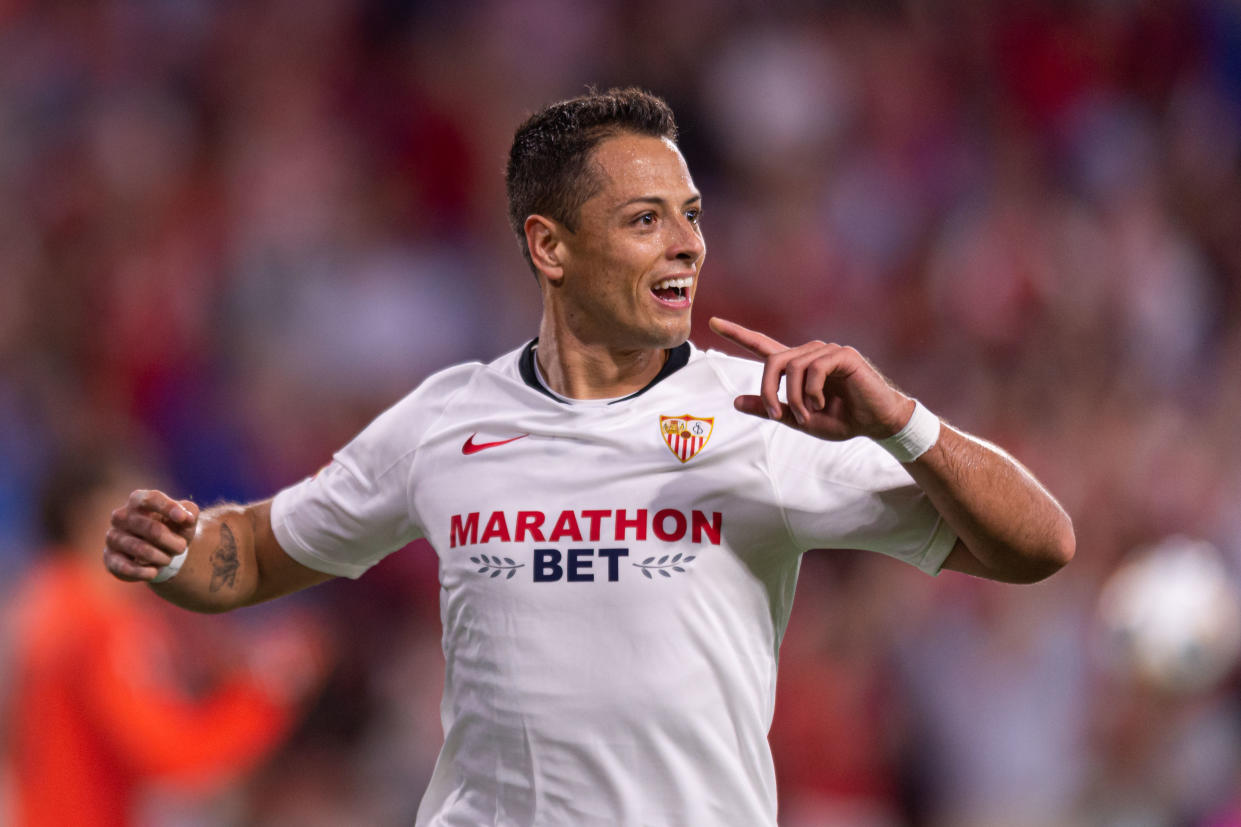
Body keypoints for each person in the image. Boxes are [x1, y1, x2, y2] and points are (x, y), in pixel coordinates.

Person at [102, 88, 1074, 826]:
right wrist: (179, 555)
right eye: (645, 219)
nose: (686, 245)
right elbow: (258, 551)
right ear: (549, 246)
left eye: (691, 213)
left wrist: (899, 421)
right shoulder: (445, 421)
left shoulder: (761, 420)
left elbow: (1037, 544)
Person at [8, 452, 327, 827]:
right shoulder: (92, 623)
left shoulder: (48, 603)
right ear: (92, 516)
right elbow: (170, 755)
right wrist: (265, 693)